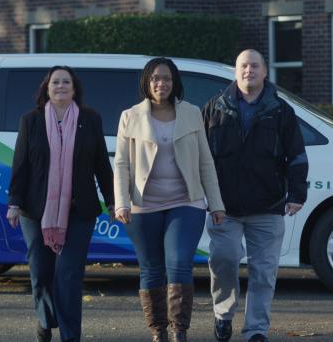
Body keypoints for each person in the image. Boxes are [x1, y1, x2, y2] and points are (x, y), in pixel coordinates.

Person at [114, 57, 225, 342]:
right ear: (146, 83)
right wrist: (121, 202)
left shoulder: (191, 113)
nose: (160, 83)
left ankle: (179, 331)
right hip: (142, 205)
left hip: (185, 202)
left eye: (166, 78)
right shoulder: (130, 116)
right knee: (151, 268)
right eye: (155, 78)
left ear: (174, 83)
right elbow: (122, 164)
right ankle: (158, 332)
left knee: (179, 263)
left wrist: (216, 203)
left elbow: (205, 162)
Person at [203, 49, 308, 342]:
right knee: (223, 261)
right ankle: (223, 314)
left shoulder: (281, 110)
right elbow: (200, 155)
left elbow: (297, 156)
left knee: (264, 273)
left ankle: (256, 330)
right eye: (243, 66)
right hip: (224, 207)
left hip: (269, 206)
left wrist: (297, 193)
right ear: (236, 72)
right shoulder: (215, 107)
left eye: (254, 66)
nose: (248, 70)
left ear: (265, 72)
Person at [6, 65, 114, 342]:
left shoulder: (90, 119)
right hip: (35, 209)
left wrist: (113, 201)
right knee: (41, 274)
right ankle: (45, 320)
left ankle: (70, 336)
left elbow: (102, 164)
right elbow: (20, 166)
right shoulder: (30, 121)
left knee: (68, 275)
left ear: (75, 89)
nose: (61, 86)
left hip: (80, 209)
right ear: (47, 88)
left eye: (66, 82)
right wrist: (14, 202)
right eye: (56, 82)